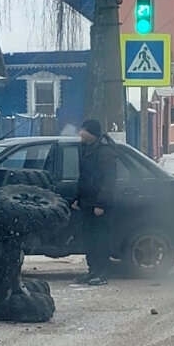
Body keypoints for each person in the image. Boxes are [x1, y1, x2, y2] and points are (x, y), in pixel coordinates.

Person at [72, 119, 116, 286]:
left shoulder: (104, 150)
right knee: (89, 239)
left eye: (83, 130)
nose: (80, 133)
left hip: (98, 204)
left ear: (92, 133)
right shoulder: (85, 148)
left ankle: (102, 273)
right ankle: (92, 271)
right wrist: (77, 198)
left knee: (100, 239)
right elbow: (83, 177)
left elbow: (108, 179)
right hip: (87, 201)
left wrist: (101, 204)